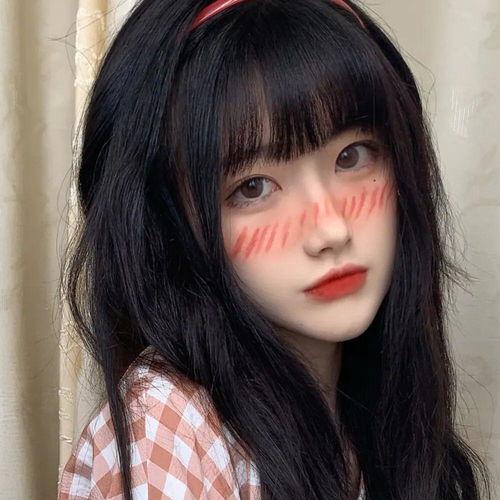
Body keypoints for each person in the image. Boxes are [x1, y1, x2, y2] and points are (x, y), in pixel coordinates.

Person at [57, 0, 492, 498]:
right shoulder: (168, 425)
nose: (331, 230)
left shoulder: (370, 411)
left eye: (352, 156)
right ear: (169, 223)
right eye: (253, 187)